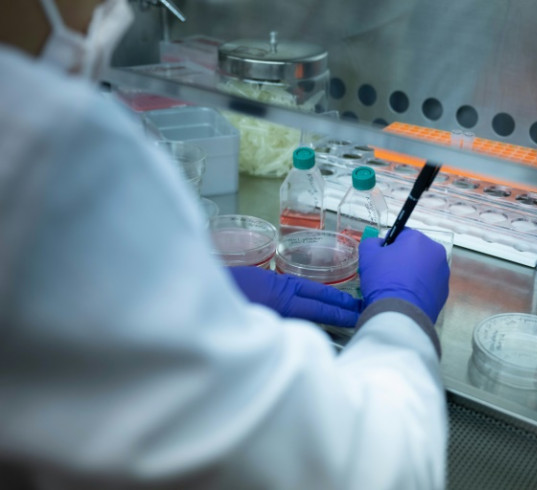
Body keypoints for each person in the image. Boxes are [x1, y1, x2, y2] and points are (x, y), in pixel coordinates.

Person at [0, 1, 452, 488]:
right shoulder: (44, 155)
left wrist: (178, 289)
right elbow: (372, 467)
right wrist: (400, 315)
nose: (109, 8)